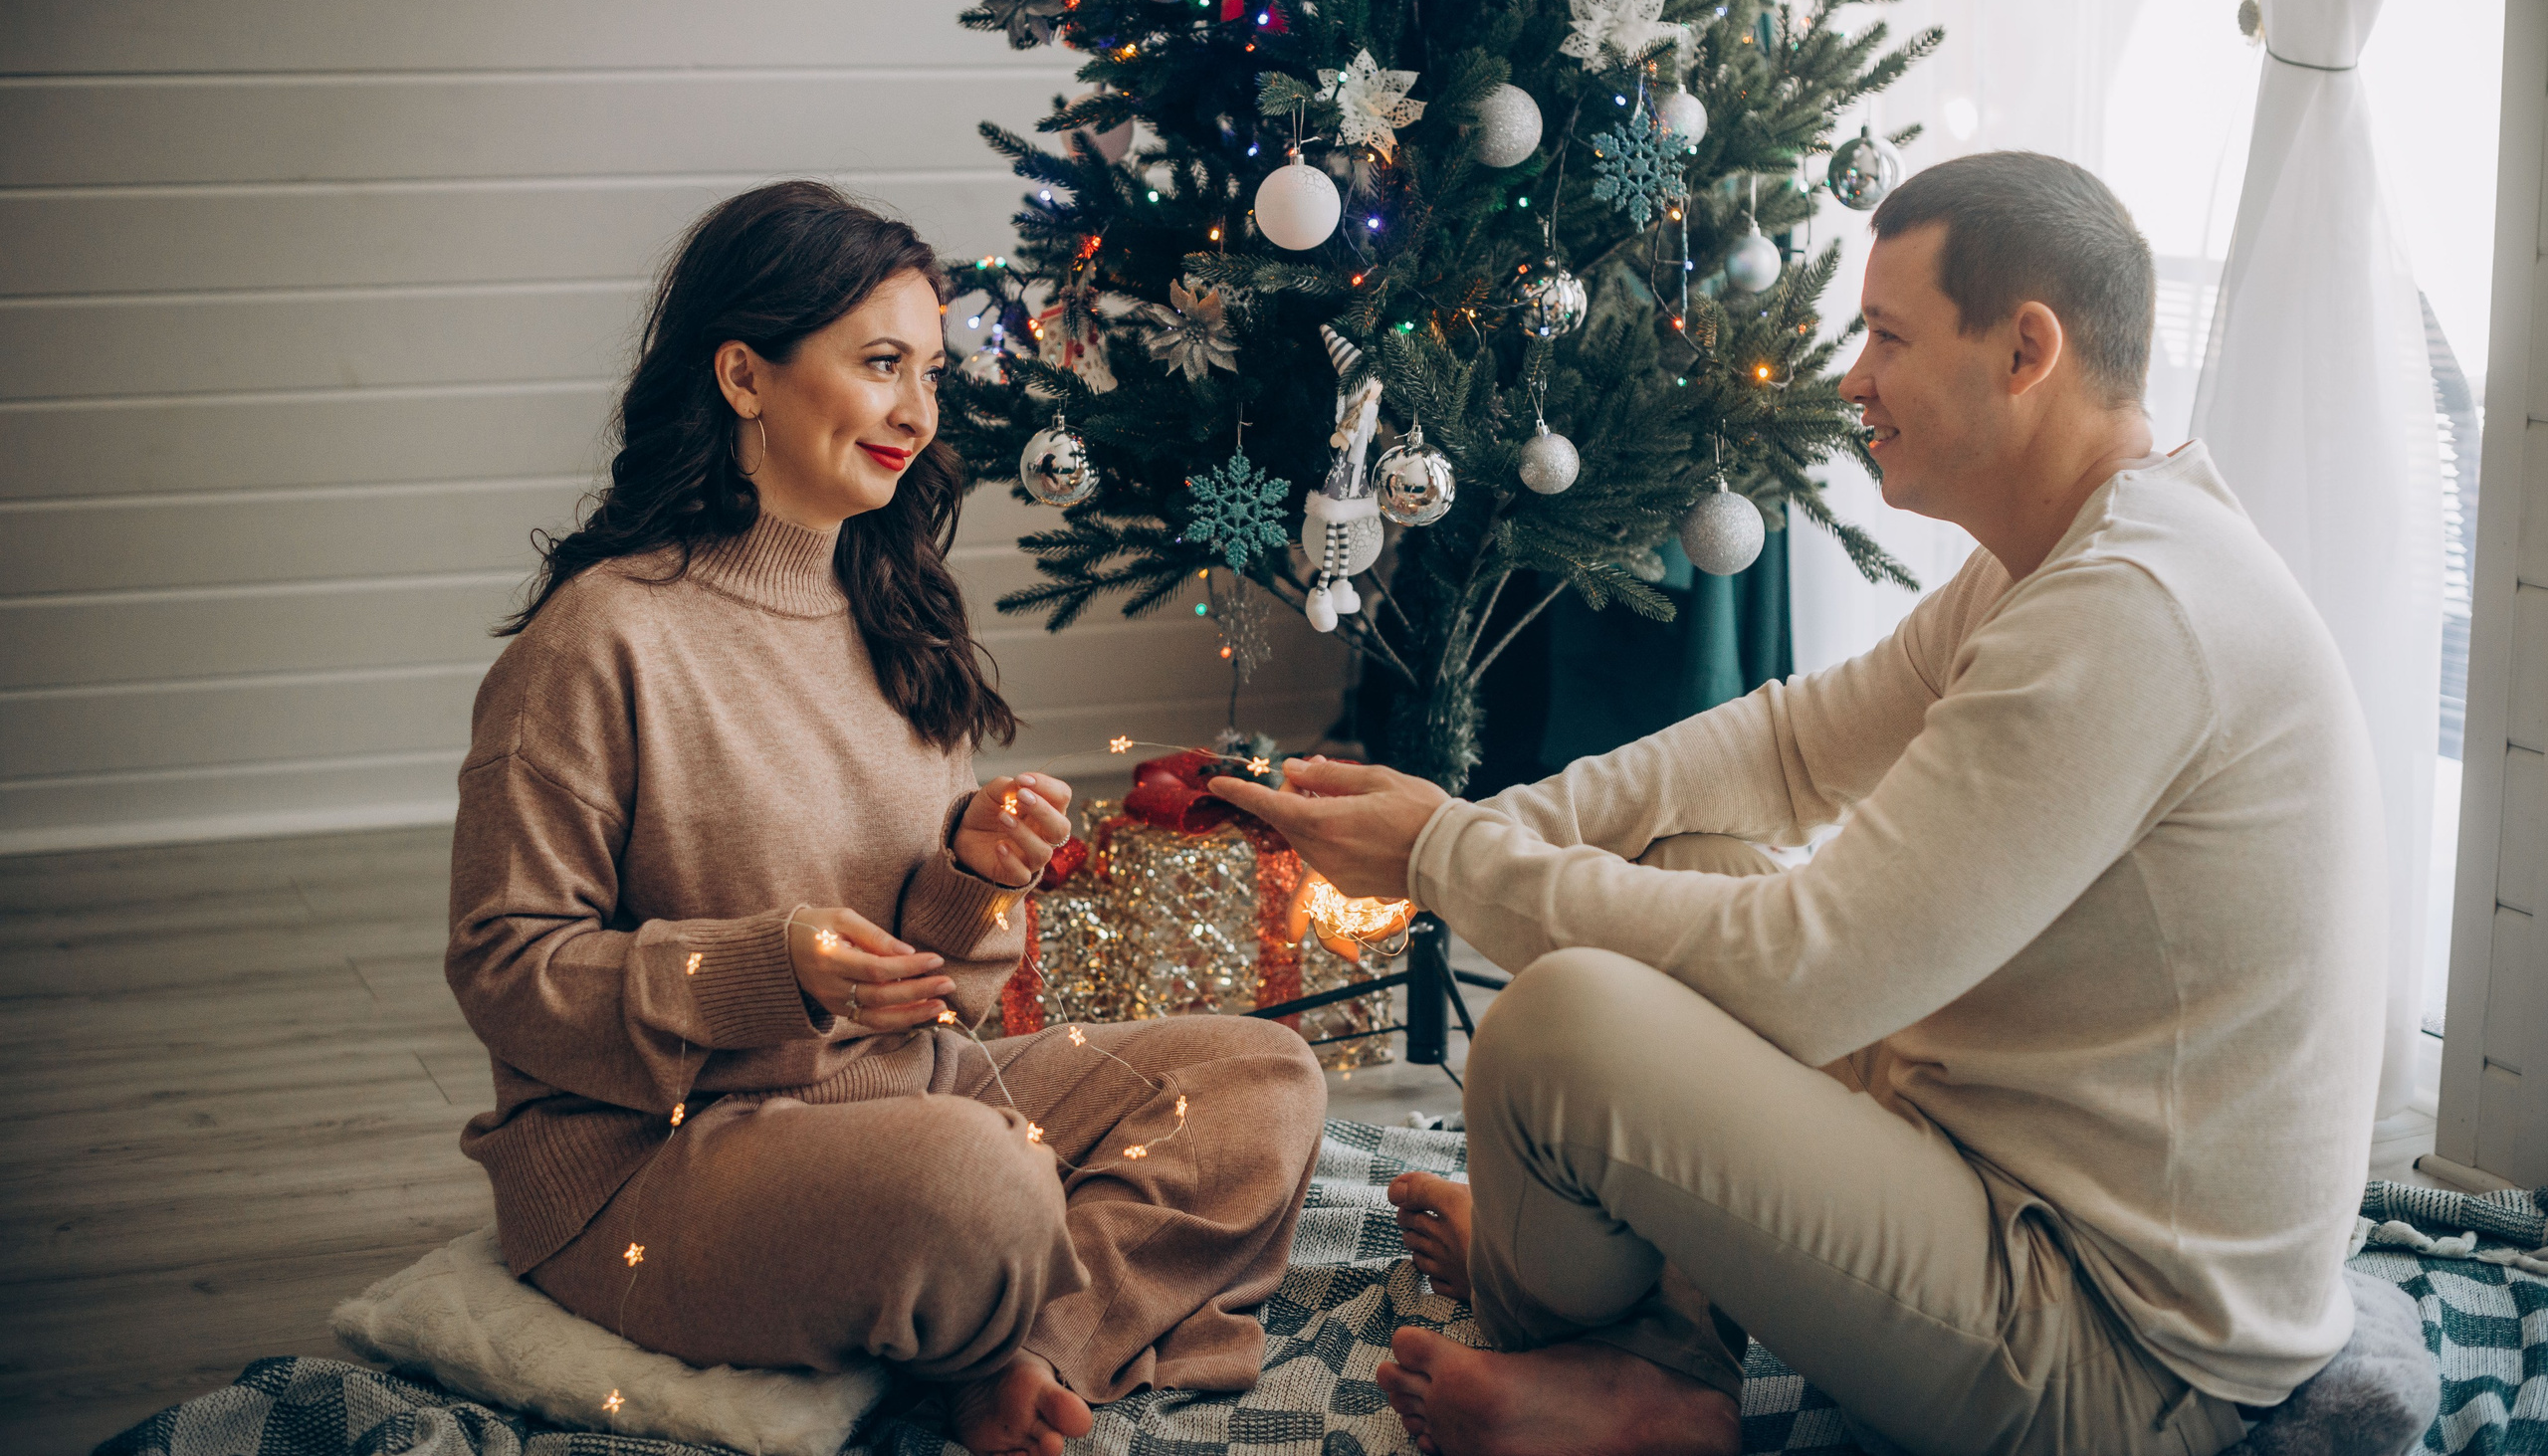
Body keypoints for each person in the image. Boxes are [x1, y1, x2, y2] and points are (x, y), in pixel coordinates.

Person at [1209, 151, 2385, 1456]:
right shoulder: (2073, 558)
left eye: (1887, 334)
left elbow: (1804, 974)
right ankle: (1660, 1359)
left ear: (2025, 350)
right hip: (2001, 1180)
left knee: (1558, 1023)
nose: (1852, 378)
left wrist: (1441, 854)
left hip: (2115, 1354)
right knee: (1705, 848)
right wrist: (1493, 823)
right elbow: (1782, 752)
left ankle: (1595, 1344)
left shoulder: (2129, 614)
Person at [446, 180, 1329, 1456]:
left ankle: (1017, 1359)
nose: (918, 411)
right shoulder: (602, 636)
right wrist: (770, 966)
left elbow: (951, 1001)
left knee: (1261, 1078)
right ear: (744, 375)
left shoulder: (898, 614)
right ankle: (991, 1332)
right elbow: (506, 968)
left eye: (928, 370)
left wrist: (973, 877)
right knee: (979, 1185)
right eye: (878, 364)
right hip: (655, 1161)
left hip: (899, 1102)